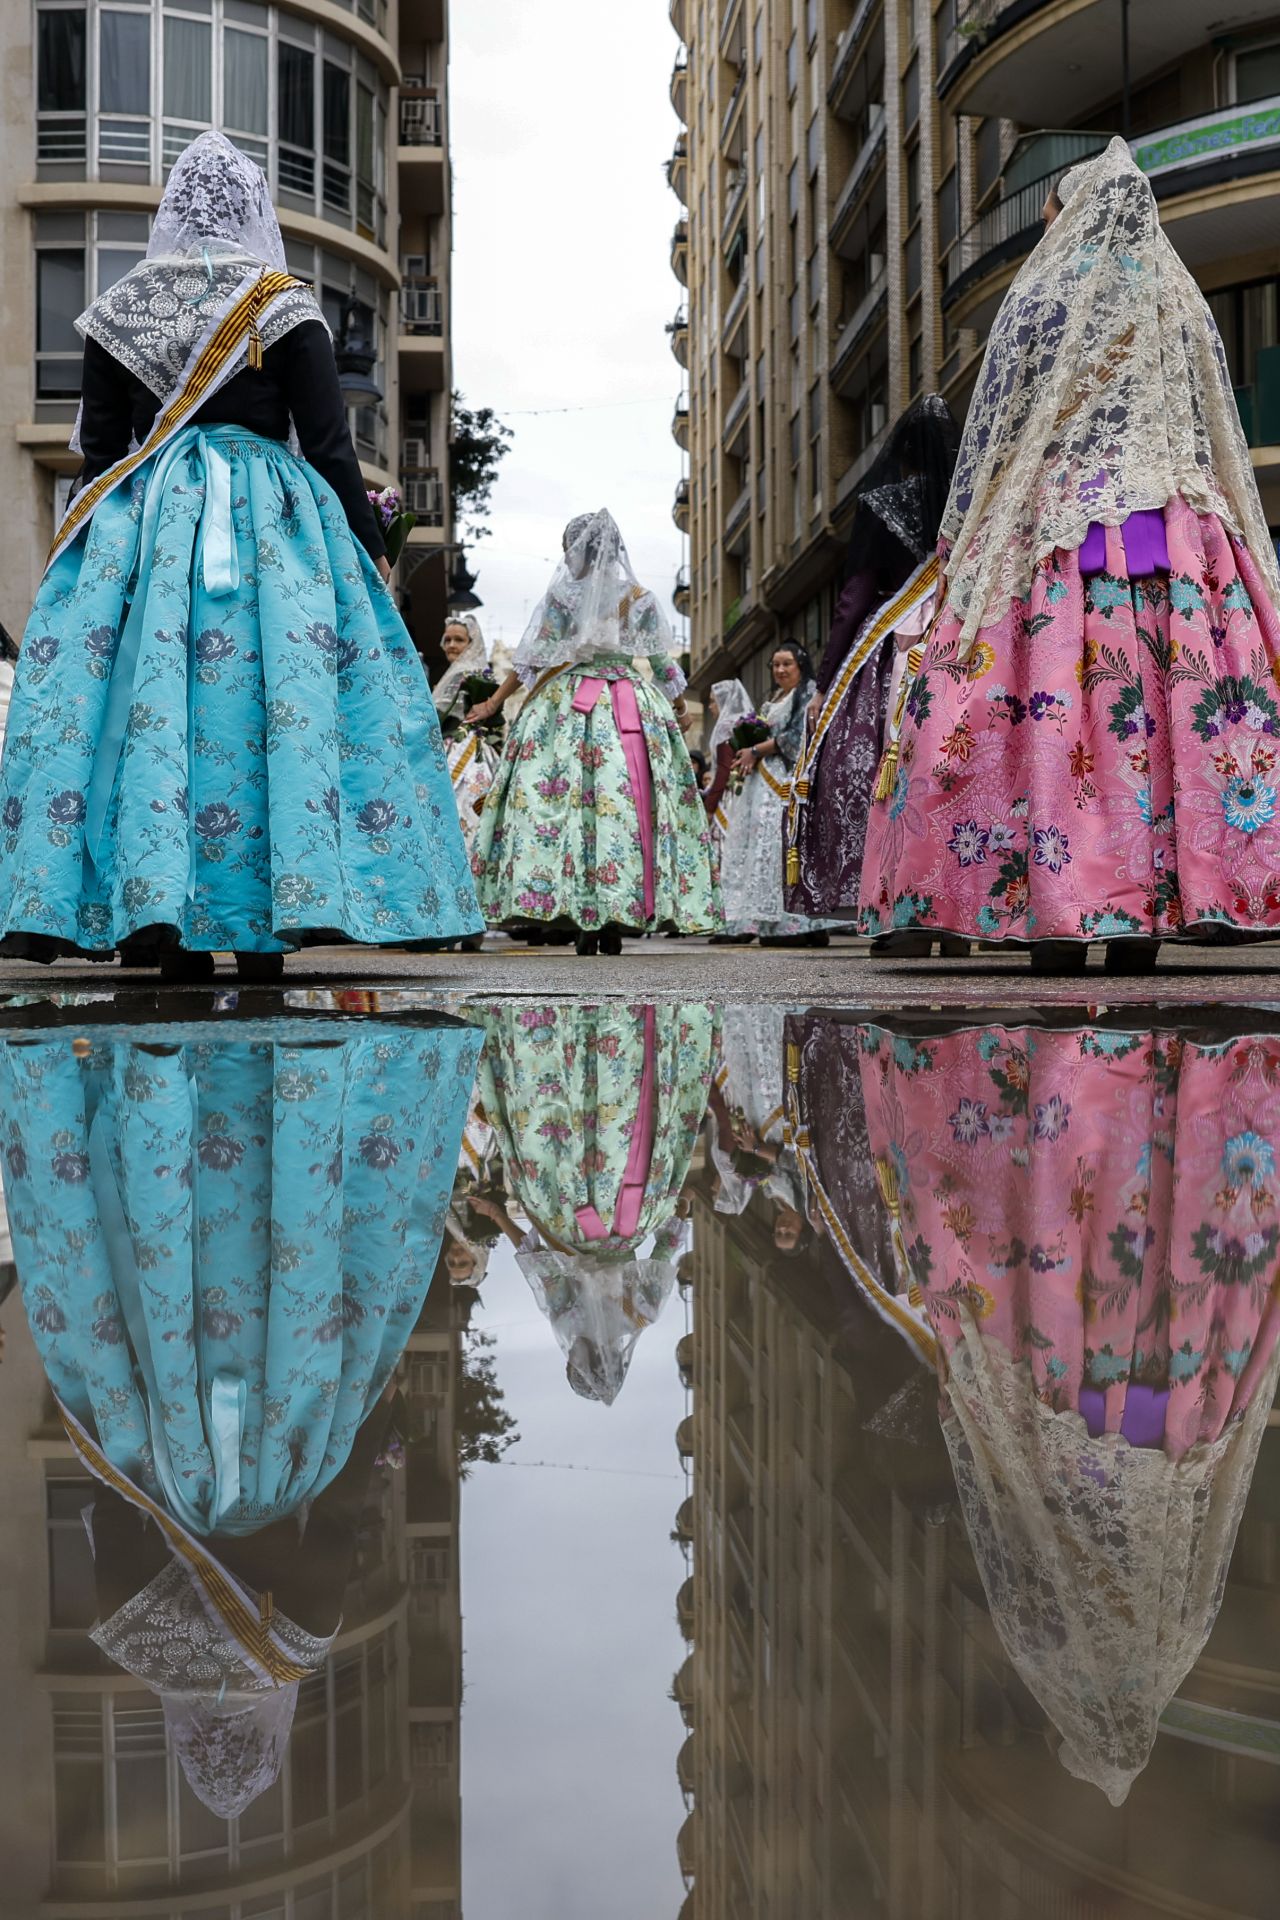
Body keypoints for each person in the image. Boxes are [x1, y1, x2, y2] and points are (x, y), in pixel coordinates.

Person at [0, 133, 481, 979]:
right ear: (254, 208)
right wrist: (371, 564)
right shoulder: (281, 304)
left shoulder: (120, 310)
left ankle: (161, 912)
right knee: (267, 709)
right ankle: (268, 920)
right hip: (272, 525)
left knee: (154, 712)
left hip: (146, 524)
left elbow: (102, 451)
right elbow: (332, 448)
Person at [860, 138, 1280, 974]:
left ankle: (1049, 907)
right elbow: (1210, 422)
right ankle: (1155, 904)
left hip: (1055, 517)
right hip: (1172, 528)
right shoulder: (1179, 301)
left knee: (1042, 701)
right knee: (1170, 707)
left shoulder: (1045, 294)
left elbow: (1003, 421)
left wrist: (971, 536)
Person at [858, 1009, 1280, 1801]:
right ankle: (1103, 1095)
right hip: (1097, 1418)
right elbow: (1021, 1511)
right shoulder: (1053, 1643)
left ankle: (1159, 1096)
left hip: (1171, 1416)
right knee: (1087, 1267)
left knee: (1144, 1266)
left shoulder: (1171, 1638)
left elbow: (1198, 1518)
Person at [466, 509, 720, 954]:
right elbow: (660, 661)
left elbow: (533, 660)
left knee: (572, 809)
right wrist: (678, 706)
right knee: (623, 809)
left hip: (569, 705)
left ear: (577, 550)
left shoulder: (563, 600)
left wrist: (492, 702)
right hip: (631, 707)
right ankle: (616, 910)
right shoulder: (639, 597)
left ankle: (580, 906)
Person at [785, 396, 961, 949]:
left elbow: (854, 598)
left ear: (902, 452)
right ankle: (956, 911)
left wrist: (826, 679)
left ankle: (891, 903)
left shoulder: (880, 504)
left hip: (891, 653)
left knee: (879, 774)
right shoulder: (970, 503)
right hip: (959, 640)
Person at [474, 1001, 717, 1400]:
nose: (572, 1357)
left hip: (629, 1219)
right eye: (576, 1365)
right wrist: (499, 1215)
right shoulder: (577, 1317)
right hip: (573, 1214)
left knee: (625, 1128)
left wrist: (681, 1209)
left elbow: (666, 1248)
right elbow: (538, 1261)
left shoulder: (637, 1315)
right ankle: (572, 1039)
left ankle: (624, 1037)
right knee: (570, 1132)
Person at [719, 640, 836, 945]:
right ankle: (768, 923)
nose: (781, 670)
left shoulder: (808, 693)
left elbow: (799, 735)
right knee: (764, 850)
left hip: (788, 782)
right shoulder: (774, 698)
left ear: (800, 665)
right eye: (776, 665)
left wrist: (756, 749)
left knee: (784, 847)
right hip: (764, 785)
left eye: (787, 664)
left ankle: (799, 925)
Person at [432, 612, 499, 950]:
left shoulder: (464, 673)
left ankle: (457, 919)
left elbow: (432, 713)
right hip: (469, 753)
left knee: (456, 831)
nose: (452, 646)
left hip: (463, 755)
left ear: (471, 643)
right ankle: (470, 922)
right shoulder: (474, 671)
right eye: (448, 640)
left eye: (459, 640)